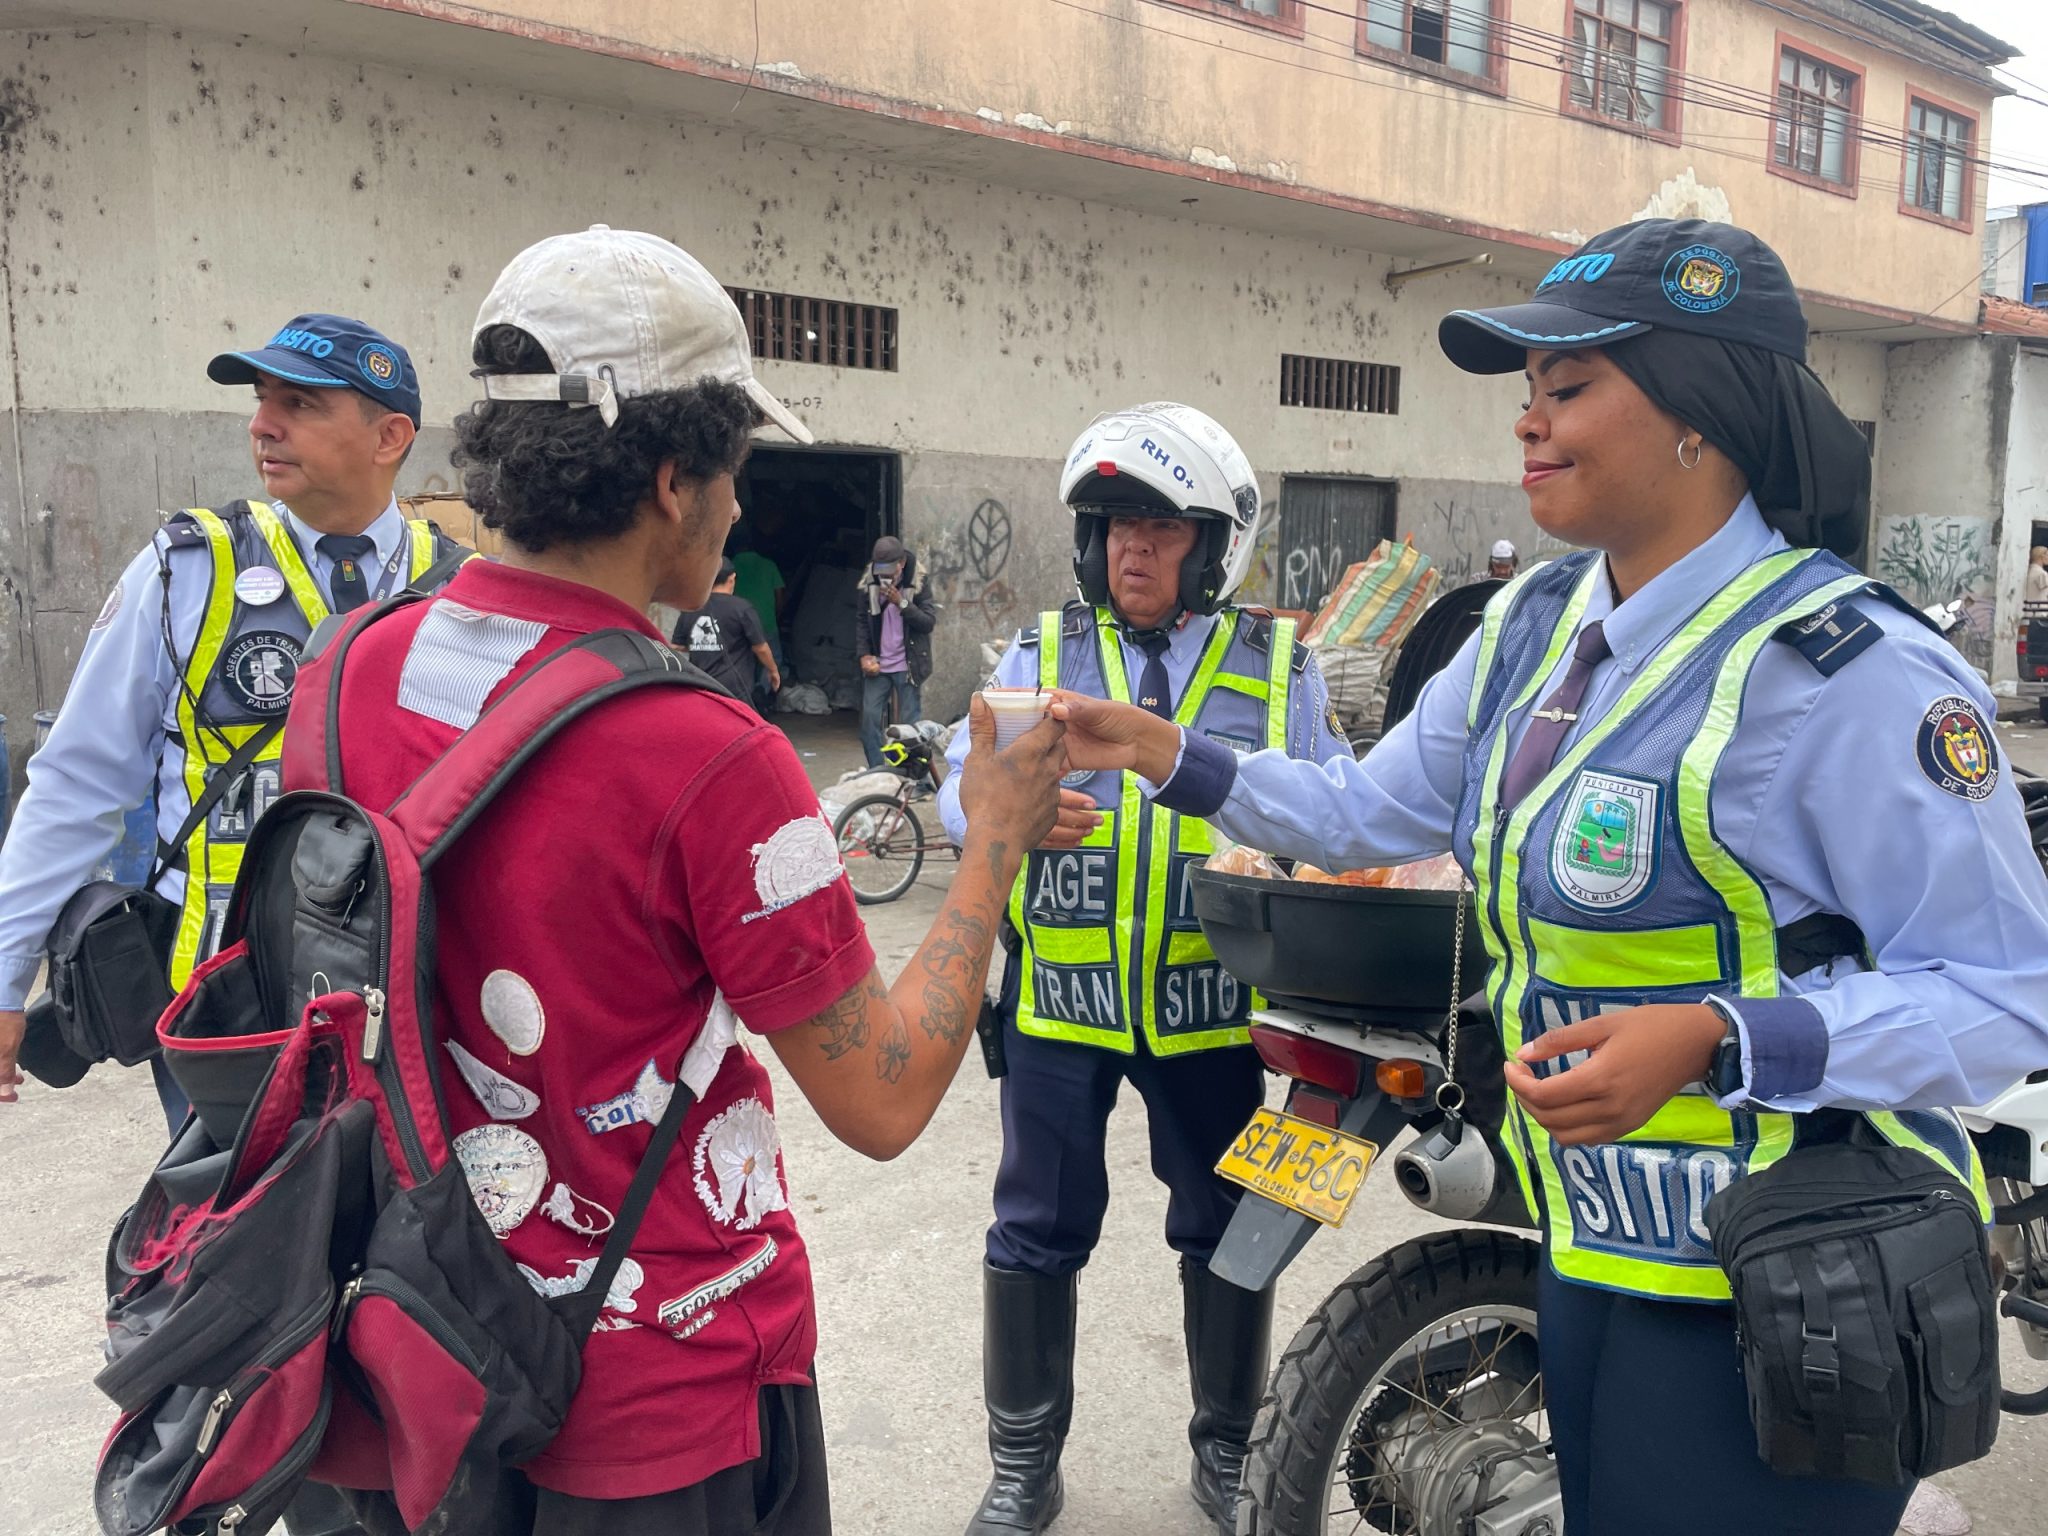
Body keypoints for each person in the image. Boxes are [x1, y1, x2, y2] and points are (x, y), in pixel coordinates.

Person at [1052, 222, 2048, 1536]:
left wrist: (1716, 1037)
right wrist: (1166, 754)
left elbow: (2003, 992)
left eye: (1568, 390)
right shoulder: (1534, 628)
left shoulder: (1845, 674)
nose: (1528, 424)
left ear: (1705, 413)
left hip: (1796, 1296)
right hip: (1588, 1260)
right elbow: (1375, 807)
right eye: (1526, 394)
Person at [313, 226, 1064, 1536]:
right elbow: (881, 1097)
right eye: (734, 471)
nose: (739, 507)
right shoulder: (707, 756)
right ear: (673, 480)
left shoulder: (345, 670)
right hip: (658, 1411)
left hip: (415, 1352)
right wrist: (993, 835)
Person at [939, 402, 1349, 1536]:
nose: (1132, 547)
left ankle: (1226, 1453)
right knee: (1032, 1227)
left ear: (1214, 547)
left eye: (1163, 530)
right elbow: (952, 784)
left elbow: (1337, 808)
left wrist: (1287, 849)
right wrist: (993, 814)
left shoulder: (1279, 665)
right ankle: (1022, 1465)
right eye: (1115, 524)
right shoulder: (1041, 650)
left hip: (1213, 1010)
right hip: (1061, 1007)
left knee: (1226, 1228)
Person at [0, 313, 466, 1125]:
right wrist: (6, 976)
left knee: (413, 1235)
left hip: (417, 997)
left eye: (300, 403)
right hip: (227, 1011)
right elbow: (75, 783)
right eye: (260, 399)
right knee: (232, 1241)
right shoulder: (186, 571)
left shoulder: (463, 591)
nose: (262, 423)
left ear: (390, 436)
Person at [856, 534, 936, 766]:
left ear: (901, 564)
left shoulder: (918, 581)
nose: (884, 574)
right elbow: (862, 621)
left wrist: (901, 603)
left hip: (908, 666)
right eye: (879, 568)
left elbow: (928, 622)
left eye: (889, 569)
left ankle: (912, 776)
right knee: (869, 721)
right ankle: (878, 771)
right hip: (879, 665)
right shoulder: (868, 582)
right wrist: (864, 654)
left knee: (909, 729)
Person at [672, 557, 780, 708]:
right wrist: (773, 670)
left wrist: (705, 643)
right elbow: (760, 647)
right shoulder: (742, 608)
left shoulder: (691, 609)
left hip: (700, 683)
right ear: (732, 578)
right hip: (735, 688)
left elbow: (677, 645)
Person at [730, 520, 789, 688]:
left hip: (736, 622)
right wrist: (776, 614)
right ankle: (762, 692)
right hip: (765, 621)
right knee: (772, 659)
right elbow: (780, 594)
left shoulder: (729, 566)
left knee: (740, 659)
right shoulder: (768, 565)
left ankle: (743, 696)